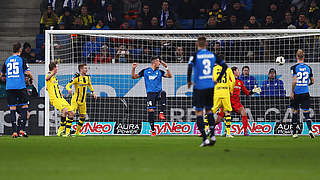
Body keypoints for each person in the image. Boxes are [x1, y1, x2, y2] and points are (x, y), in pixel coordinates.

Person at [187, 36, 228, 147]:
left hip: (199, 87)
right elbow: (225, 66)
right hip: (210, 86)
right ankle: (213, 136)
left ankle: (205, 139)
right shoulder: (212, 55)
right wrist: (218, 79)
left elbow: (190, 67)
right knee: (209, 111)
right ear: (207, 44)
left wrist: (189, 81)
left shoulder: (195, 55)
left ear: (197, 44)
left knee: (199, 113)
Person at [131, 57, 172, 136]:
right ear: (154, 62)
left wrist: (166, 67)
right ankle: (153, 130)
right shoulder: (145, 71)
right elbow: (133, 77)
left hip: (158, 92)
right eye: (158, 62)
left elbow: (169, 76)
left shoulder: (160, 71)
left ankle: (161, 113)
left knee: (163, 93)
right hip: (150, 94)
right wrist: (133, 69)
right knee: (151, 112)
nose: (159, 63)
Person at [214, 67, 261, 136]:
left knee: (244, 112)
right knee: (217, 120)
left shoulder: (240, 82)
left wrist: (253, 91)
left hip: (236, 103)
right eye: (238, 70)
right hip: (227, 102)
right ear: (234, 72)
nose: (239, 72)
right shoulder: (228, 80)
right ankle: (209, 129)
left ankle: (245, 132)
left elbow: (247, 93)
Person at [0, 42, 33, 138]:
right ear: (20, 50)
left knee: (12, 109)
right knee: (25, 107)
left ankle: (14, 132)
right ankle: (22, 129)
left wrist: (7, 78)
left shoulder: (7, 60)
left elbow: (2, 75)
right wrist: (32, 78)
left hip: (9, 87)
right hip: (20, 86)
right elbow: (28, 72)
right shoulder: (22, 59)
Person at [66, 64, 97, 136]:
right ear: (81, 69)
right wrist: (69, 89)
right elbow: (67, 85)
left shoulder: (87, 78)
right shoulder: (76, 78)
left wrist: (93, 93)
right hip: (75, 100)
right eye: (85, 68)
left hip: (83, 101)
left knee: (83, 116)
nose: (86, 69)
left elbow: (90, 85)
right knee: (71, 114)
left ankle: (77, 132)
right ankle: (67, 132)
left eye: (86, 68)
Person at [290, 49, 315, 139]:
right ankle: (310, 130)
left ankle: (294, 133)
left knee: (295, 112)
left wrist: (292, 91)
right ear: (303, 57)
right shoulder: (308, 67)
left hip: (297, 92)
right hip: (305, 93)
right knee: (306, 112)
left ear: (296, 57)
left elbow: (294, 81)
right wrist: (306, 84)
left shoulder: (294, 67)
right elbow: (312, 81)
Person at [45, 62, 75, 137]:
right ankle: (60, 130)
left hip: (60, 98)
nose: (57, 69)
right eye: (57, 67)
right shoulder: (49, 74)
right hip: (55, 99)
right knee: (65, 110)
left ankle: (67, 132)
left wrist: (60, 93)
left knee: (71, 113)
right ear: (54, 68)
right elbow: (47, 78)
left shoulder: (54, 77)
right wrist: (52, 73)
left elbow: (50, 87)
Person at [211, 65, 235, 138]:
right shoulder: (227, 69)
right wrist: (231, 90)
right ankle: (228, 133)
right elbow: (233, 81)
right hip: (225, 93)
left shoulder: (213, 69)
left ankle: (206, 130)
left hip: (217, 93)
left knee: (210, 112)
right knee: (227, 112)